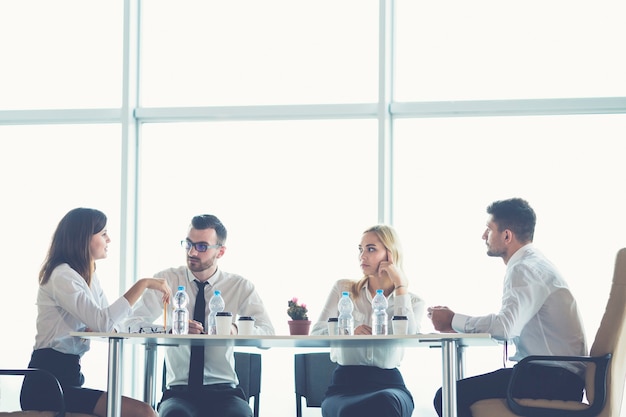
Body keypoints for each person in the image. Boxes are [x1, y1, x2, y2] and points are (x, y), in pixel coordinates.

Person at [428, 197, 587, 417]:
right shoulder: (534, 264)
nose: (483, 235)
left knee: (447, 397)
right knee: (453, 394)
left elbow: (505, 328)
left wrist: (453, 319)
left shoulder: (524, 268)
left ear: (506, 235)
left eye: (488, 229)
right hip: (559, 378)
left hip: (551, 379)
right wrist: (458, 323)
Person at [20, 208, 172, 417]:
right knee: (144, 412)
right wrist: (143, 284)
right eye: (103, 233)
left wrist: (168, 328)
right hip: (46, 384)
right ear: (83, 238)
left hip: (68, 376)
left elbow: (112, 323)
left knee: (143, 411)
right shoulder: (62, 275)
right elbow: (104, 322)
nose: (108, 239)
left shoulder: (87, 276)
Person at [124, 214, 274, 417]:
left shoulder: (239, 286)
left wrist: (233, 329)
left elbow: (267, 333)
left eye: (202, 246)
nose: (192, 252)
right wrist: (172, 329)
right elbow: (130, 324)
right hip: (178, 392)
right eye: (188, 244)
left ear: (220, 252)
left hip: (225, 391)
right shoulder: (166, 280)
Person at [310, 224, 425, 417]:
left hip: (390, 384)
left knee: (385, 402)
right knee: (352, 409)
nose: (362, 256)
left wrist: (400, 286)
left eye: (371, 249)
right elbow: (317, 333)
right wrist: (348, 331)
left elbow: (410, 336)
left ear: (390, 254)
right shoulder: (343, 289)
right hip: (345, 386)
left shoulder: (413, 301)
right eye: (360, 249)